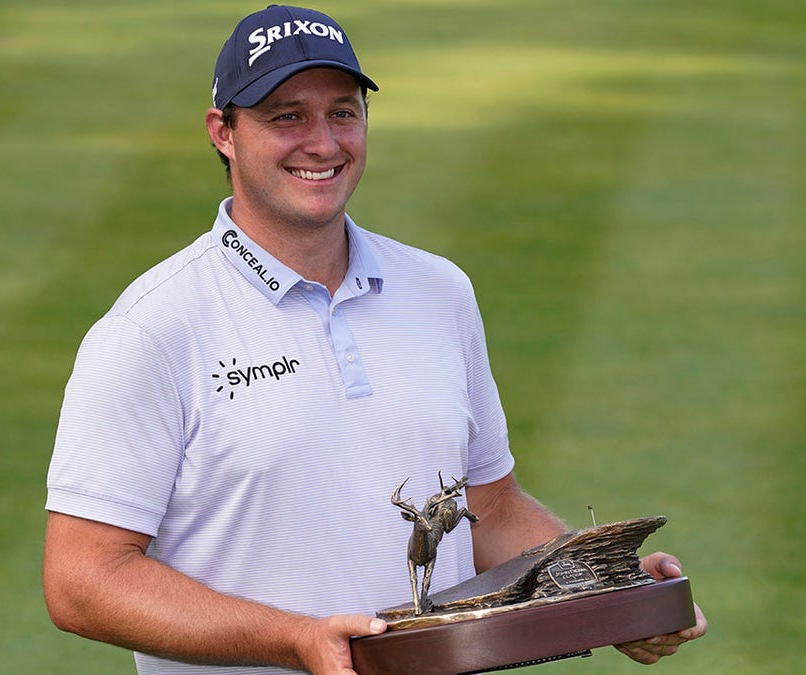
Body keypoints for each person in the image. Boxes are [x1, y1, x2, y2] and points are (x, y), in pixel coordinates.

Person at [42, 6, 706, 674]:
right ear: (224, 133)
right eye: (286, 116)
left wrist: (608, 589)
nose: (324, 143)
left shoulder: (440, 291)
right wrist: (295, 637)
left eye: (343, 112)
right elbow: (81, 580)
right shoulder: (153, 330)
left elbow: (490, 507)